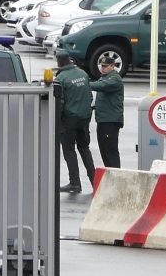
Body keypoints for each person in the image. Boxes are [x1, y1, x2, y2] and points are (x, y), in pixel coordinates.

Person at [54, 52, 95, 193]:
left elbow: (60, 102)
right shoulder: (82, 74)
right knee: (84, 148)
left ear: (59, 62)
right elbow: (89, 96)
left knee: (69, 151)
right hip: (84, 118)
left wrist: (56, 121)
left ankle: (75, 183)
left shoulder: (61, 78)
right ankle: (94, 181)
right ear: (69, 60)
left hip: (69, 120)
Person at [90, 54, 126, 169]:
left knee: (110, 151)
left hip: (110, 120)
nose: (102, 68)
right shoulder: (104, 77)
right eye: (102, 66)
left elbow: (102, 86)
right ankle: (110, 172)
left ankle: (115, 174)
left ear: (113, 66)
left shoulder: (114, 78)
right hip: (103, 120)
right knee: (104, 151)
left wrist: (85, 84)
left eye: (105, 66)